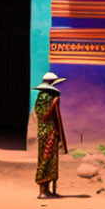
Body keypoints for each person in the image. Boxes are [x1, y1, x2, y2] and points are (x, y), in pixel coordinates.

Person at [33, 71, 68, 199]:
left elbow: (39, 115)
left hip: (43, 131)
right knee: (48, 159)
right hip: (50, 130)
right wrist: (54, 104)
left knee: (48, 158)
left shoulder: (39, 97)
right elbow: (45, 116)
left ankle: (46, 190)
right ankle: (44, 190)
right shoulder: (52, 97)